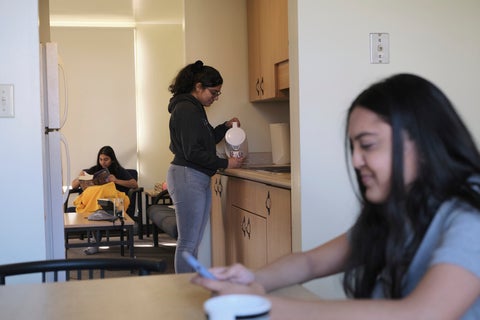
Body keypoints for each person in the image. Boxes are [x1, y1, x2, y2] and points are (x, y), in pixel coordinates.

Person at [191, 74, 480, 319]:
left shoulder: (471, 216)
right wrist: (252, 281)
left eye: (367, 145)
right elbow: (311, 263)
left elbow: (420, 314)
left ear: (424, 141)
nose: (355, 161)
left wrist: (259, 307)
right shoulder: (399, 208)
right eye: (353, 147)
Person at [167, 60, 243, 273]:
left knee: (193, 241)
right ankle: (184, 291)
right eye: (214, 92)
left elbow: (205, 140)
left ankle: (189, 287)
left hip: (194, 176)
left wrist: (225, 127)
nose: (215, 97)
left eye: (218, 93)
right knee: (188, 242)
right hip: (187, 176)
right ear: (198, 87)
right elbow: (193, 152)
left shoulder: (195, 108)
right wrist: (226, 163)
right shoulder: (186, 109)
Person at [71, 145, 138, 255]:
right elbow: (73, 186)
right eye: (101, 159)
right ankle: (99, 219)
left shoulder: (118, 170)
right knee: (94, 193)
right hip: (97, 204)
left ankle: (100, 218)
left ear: (112, 159)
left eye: (106, 159)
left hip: (116, 204)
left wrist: (116, 180)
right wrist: (80, 178)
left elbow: (134, 184)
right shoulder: (94, 170)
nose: (103, 162)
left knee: (104, 191)